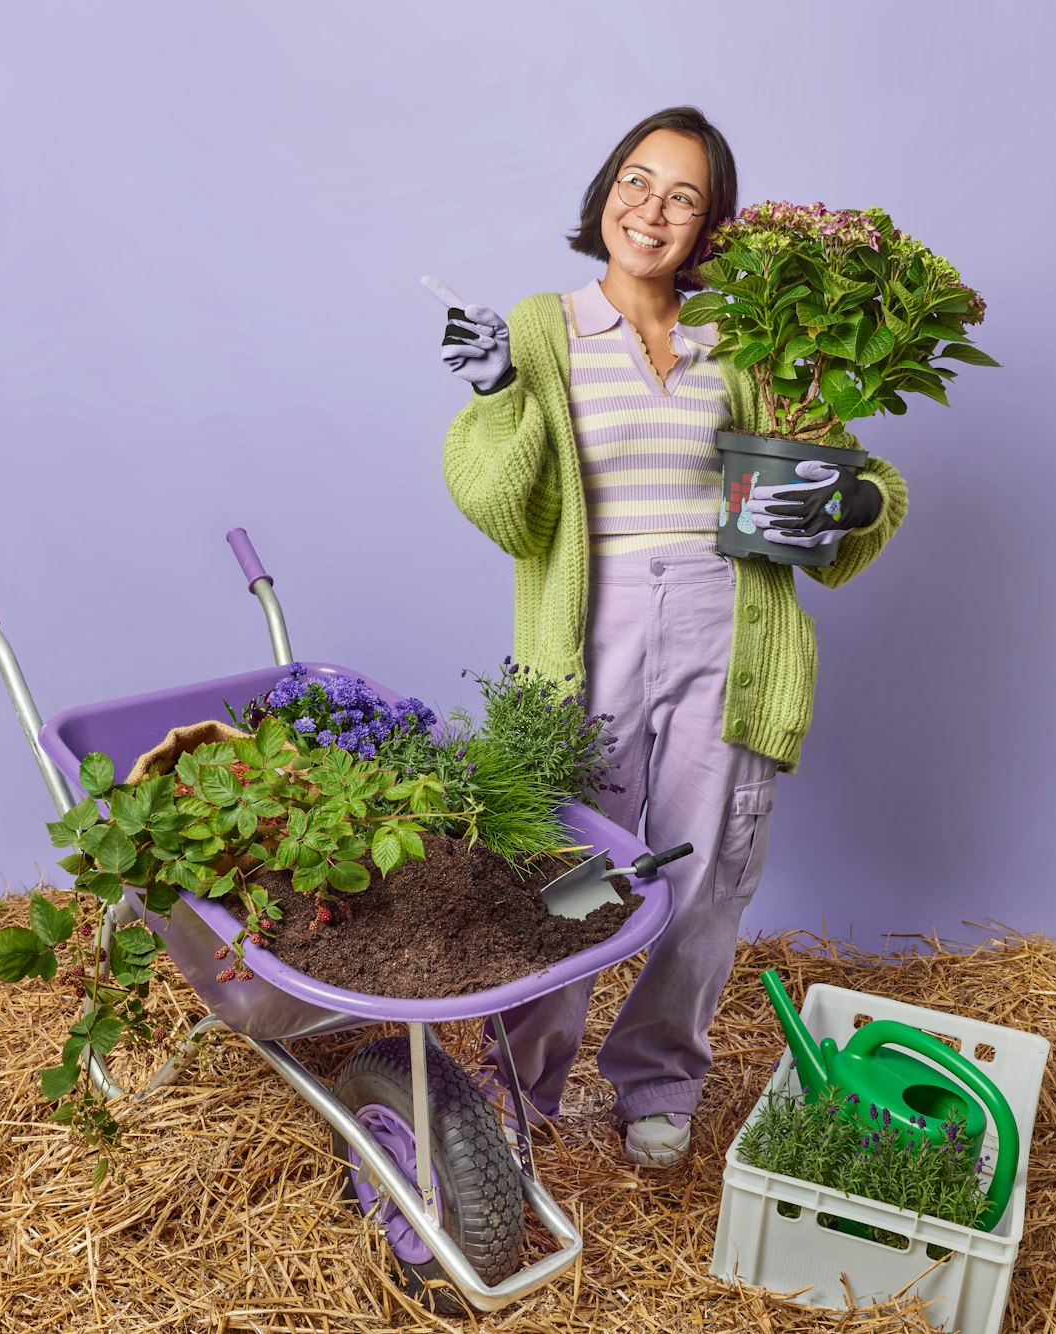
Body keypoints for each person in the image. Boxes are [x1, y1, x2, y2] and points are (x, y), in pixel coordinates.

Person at [427, 106, 907, 1168]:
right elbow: (506, 508)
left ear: (711, 226)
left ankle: (656, 1079)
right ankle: (521, 1090)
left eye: (682, 196)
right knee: (568, 877)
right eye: (636, 183)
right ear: (605, 192)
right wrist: (500, 391)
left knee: (706, 870)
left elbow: (848, 483)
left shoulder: (743, 340)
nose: (652, 210)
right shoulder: (542, 329)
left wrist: (857, 505)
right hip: (585, 639)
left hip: (725, 628)